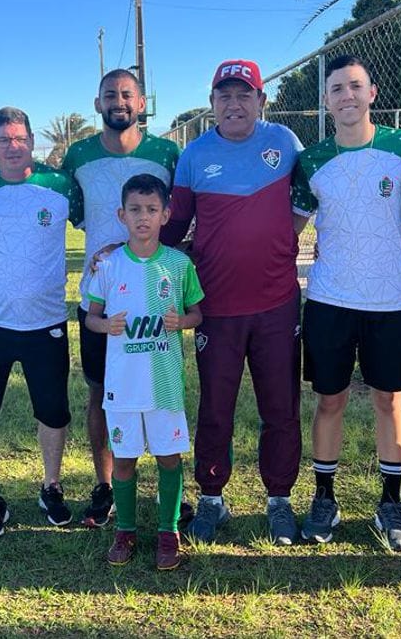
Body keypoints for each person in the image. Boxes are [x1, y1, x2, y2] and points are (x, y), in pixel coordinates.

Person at [291, 55, 401, 549]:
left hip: (390, 300)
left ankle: (390, 504)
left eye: (355, 86)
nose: (346, 96)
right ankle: (324, 498)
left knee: (389, 399)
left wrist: (384, 253)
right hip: (329, 299)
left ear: (372, 93)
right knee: (329, 399)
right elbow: (291, 228)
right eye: (336, 89)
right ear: (326, 101)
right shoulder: (310, 160)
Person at [161, 59, 304, 545]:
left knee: (280, 407)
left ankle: (280, 499)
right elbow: (175, 226)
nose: (234, 103)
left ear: (262, 101)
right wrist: (129, 253)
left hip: (277, 304)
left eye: (244, 94)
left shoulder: (285, 143)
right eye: (224, 95)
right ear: (212, 104)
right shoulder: (194, 155)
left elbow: (311, 200)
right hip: (216, 306)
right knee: (215, 406)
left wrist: (282, 241)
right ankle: (212, 498)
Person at [63, 69, 181, 527]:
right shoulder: (78, 156)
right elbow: (77, 216)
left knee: (161, 390)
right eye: (110, 94)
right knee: (101, 393)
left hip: (157, 299)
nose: (119, 101)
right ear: (98, 104)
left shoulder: (167, 153)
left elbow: (180, 217)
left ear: (142, 102)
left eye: (127, 94)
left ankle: (167, 488)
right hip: (102, 300)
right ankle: (107, 486)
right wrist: (109, 253)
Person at [0, 107, 82, 528]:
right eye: (3, 139)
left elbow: (99, 224)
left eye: (19, 138)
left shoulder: (60, 185)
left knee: (52, 410)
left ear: (32, 141)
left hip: (46, 322)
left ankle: (50, 487)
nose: (12, 147)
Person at [85, 173, 204, 569]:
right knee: (124, 460)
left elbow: (197, 313)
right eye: (135, 210)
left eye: (152, 210)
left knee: (169, 457)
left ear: (166, 214)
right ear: (122, 214)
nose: (143, 218)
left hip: (164, 384)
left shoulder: (178, 264)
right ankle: (126, 531)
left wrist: (182, 323)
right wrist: (106, 326)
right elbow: (90, 319)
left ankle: (168, 533)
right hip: (122, 385)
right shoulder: (109, 264)